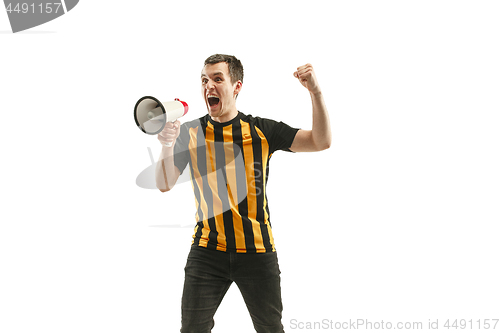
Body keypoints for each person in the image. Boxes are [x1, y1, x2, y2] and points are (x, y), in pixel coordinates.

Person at [155, 54, 331, 333]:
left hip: (257, 251)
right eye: (204, 80)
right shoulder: (190, 133)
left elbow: (321, 141)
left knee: (270, 329)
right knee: (191, 329)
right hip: (207, 251)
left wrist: (316, 93)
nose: (208, 86)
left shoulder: (262, 130)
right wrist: (166, 144)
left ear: (236, 86)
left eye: (217, 79)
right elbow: (164, 183)